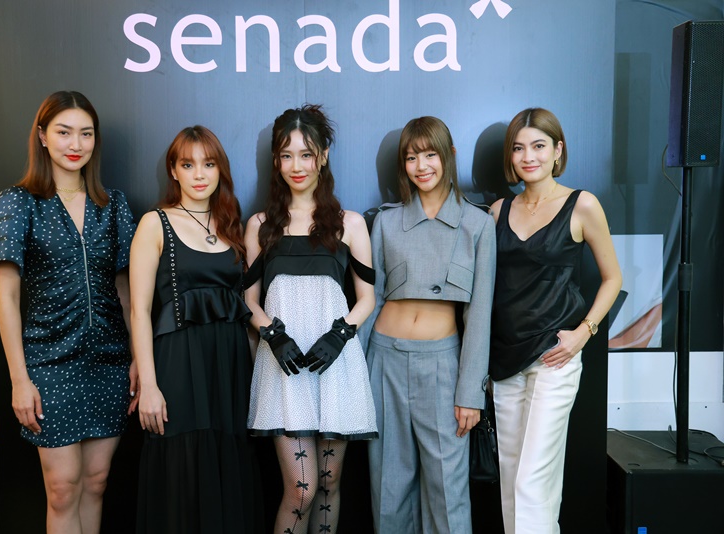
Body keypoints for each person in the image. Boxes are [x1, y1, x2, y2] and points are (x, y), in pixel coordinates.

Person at [0, 90, 137, 533]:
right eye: (64, 132)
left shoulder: (113, 205)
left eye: (86, 134)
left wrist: (137, 359)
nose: (76, 144)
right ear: (43, 136)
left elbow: (126, 292)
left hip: (109, 362)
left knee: (96, 481)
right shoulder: (17, 202)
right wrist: (19, 379)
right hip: (48, 363)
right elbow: (6, 298)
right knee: (62, 487)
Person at [358, 116, 496, 534]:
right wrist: (355, 381)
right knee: (389, 487)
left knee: (448, 492)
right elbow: (371, 301)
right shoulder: (386, 222)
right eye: (411, 157)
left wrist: (471, 392)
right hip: (385, 361)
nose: (421, 166)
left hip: (442, 367)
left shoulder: (478, 224)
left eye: (430, 155)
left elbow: (480, 314)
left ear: (449, 156)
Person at [243, 104, 377, 534]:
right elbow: (248, 300)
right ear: (276, 160)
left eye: (306, 154)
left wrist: (340, 335)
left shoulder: (349, 224)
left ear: (323, 156)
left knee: (329, 484)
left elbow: (367, 298)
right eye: (286, 155)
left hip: (334, 363)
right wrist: (271, 333)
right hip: (284, 367)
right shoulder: (260, 225)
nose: (296, 166)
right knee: (302, 489)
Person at [489, 107, 622, 534]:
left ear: (558, 150)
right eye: (519, 148)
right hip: (504, 361)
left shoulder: (582, 204)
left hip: (554, 359)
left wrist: (584, 332)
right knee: (513, 480)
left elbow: (613, 278)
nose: (528, 156)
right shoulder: (497, 211)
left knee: (531, 481)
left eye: (539, 146)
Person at [129, 126, 260, 533]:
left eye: (209, 164)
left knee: (227, 468)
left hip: (229, 367)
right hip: (179, 364)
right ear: (173, 170)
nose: (199, 174)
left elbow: (245, 309)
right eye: (188, 165)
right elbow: (138, 311)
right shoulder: (155, 223)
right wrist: (149, 385)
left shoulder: (231, 224)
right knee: (181, 470)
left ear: (220, 169)